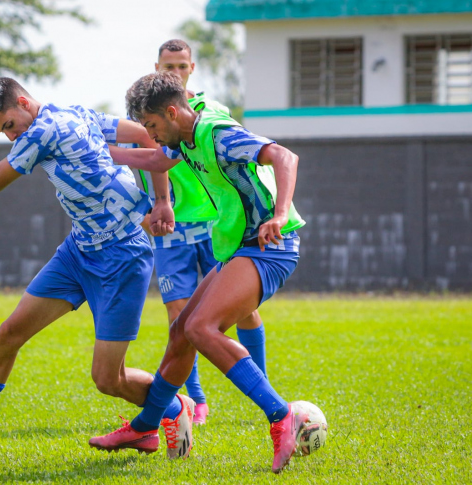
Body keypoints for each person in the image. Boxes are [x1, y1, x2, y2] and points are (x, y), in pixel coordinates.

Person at [0, 76, 196, 461]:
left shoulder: (41, 132)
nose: (10, 137)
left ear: (24, 103)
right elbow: (145, 135)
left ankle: (173, 408)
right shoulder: (76, 112)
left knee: (109, 380)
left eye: (8, 125)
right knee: (10, 333)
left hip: (122, 256)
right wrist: (160, 200)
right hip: (78, 253)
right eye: (2, 133)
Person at [90, 71, 308, 473]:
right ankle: (145, 427)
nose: (151, 135)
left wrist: (279, 215)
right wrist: (99, 152)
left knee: (201, 329)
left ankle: (282, 416)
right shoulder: (183, 138)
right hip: (240, 247)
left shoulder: (216, 133)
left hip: (269, 247)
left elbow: (284, 156)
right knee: (181, 331)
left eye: (153, 126)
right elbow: (157, 160)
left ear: (172, 112)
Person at [137, 40, 270, 425]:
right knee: (179, 313)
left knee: (245, 309)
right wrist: (149, 207)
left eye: (181, 65)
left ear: (191, 68)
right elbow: (149, 161)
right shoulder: (149, 117)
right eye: (168, 66)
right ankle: (195, 400)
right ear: (156, 67)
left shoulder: (212, 114)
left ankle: (259, 385)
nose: (175, 72)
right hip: (172, 227)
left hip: (216, 224)